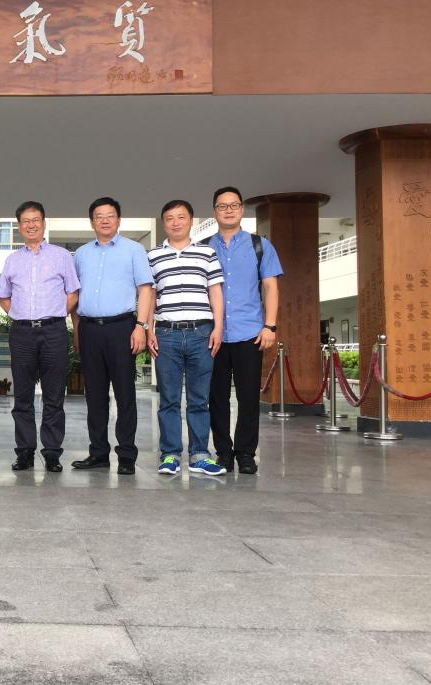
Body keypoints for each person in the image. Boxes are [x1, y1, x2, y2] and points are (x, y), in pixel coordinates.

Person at [70, 197, 154, 475]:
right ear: (91, 222)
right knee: (94, 395)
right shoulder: (81, 254)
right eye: (99, 216)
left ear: (118, 220)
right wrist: (77, 329)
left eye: (110, 215)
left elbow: (145, 289)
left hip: (122, 328)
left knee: (124, 393)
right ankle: (98, 453)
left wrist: (140, 326)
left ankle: (127, 455)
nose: (104, 220)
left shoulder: (133, 250)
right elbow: (75, 295)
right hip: (89, 329)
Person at [0, 200, 80, 472]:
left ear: (44, 223)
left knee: (54, 395)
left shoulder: (62, 256)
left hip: (54, 331)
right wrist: (21, 315)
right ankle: (24, 452)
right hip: (22, 333)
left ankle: (52, 453)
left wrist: (55, 314)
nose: (31, 225)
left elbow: (73, 293)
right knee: (22, 396)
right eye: (26, 221)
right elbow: (4, 297)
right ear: (19, 226)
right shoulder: (12, 260)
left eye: (36, 220)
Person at [147, 199, 226, 476]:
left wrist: (218, 327)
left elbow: (215, 291)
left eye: (181, 217)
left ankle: (200, 455)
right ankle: (169, 454)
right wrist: (148, 329)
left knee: (199, 399)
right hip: (166, 333)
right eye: (170, 218)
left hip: (201, 333)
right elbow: (150, 295)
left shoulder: (207, 253)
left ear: (191, 220)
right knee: (168, 399)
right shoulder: (153, 256)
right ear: (164, 223)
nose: (176, 222)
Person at [207, 186, 283, 475]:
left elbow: (270, 287)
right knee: (216, 398)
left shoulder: (260, 245)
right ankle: (223, 453)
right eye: (222, 206)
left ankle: (246, 453)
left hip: (249, 333)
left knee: (249, 398)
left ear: (241, 209)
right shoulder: (204, 248)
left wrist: (270, 325)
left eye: (233, 205)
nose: (228, 210)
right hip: (213, 335)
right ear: (214, 211)